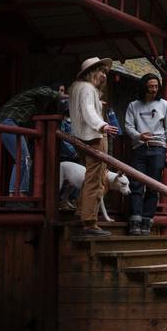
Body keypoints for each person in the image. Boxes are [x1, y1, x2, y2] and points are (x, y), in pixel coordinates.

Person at [123, 73, 167, 236]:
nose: (154, 89)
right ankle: (135, 220)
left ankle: (147, 220)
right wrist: (139, 136)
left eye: (156, 86)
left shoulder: (165, 105)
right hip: (139, 147)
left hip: (158, 148)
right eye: (151, 86)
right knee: (136, 184)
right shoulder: (134, 105)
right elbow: (128, 126)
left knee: (154, 186)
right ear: (144, 87)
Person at [69, 57, 118, 235]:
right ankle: (89, 221)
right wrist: (101, 125)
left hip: (79, 137)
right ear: (91, 72)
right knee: (96, 179)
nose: (104, 76)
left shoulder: (75, 88)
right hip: (93, 137)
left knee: (90, 176)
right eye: (100, 71)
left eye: (105, 72)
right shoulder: (88, 88)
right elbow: (89, 110)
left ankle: (80, 211)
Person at [0, 83, 66, 199]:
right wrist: (69, 97)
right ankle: (17, 194)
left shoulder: (39, 105)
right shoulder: (40, 90)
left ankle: (17, 193)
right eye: (60, 90)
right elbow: (48, 92)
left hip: (12, 123)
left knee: (24, 159)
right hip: (7, 121)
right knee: (23, 158)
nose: (61, 94)